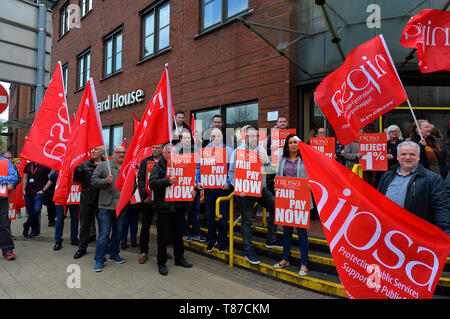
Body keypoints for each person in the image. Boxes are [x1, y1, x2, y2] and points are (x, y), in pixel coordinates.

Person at [229, 126, 283, 265]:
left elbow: (270, 170)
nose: (253, 138)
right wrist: (237, 188)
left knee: (276, 205)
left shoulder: (261, 150)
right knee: (246, 220)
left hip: (259, 188)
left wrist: (267, 161)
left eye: (255, 136)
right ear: (245, 137)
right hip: (244, 192)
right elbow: (231, 173)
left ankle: (271, 239)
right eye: (250, 136)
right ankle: (249, 250)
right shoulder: (237, 152)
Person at [377, 141, 450, 236]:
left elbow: (441, 209)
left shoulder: (432, 179)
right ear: (397, 157)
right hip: (387, 232)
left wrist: (445, 236)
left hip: (416, 235)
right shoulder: (386, 176)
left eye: (412, 154)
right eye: (403, 154)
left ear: (418, 157)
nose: (407, 157)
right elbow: (377, 202)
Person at [149, 143, 194, 276]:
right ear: (164, 154)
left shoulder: (183, 166)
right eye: (170, 153)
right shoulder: (158, 167)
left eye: (175, 153)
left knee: (178, 235)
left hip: (179, 207)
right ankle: (161, 263)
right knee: (162, 237)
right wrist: (167, 181)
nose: (173, 155)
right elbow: (152, 183)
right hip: (164, 209)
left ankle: (179, 258)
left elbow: (188, 184)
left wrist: (191, 192)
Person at [273, 134, 310, 276]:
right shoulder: (282, 160)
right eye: (290, 142)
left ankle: (304, 264)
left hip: (301, 201)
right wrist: (278, 186)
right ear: (287, 145)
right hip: (286, 201)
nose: (293, 145)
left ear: (299, 144)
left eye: (295, 142)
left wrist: (310, 186)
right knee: (286, 231)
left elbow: (311, 176)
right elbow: (278, 177)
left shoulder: (305, 159)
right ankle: (285, 259)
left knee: (302, 233)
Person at [91, 145, 128, 272]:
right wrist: (105, 181)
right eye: (119, 152)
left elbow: (132, 184)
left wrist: (127, 196)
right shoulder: (103, 165)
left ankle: (114, 254)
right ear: (114, 153)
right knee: (104, 234)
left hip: (121, 206)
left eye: (123, 152)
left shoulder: (127, 167)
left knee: (117, 233)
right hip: (106, 206)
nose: (121, 154)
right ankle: (99, 260)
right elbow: (94, 181)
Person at [199, 128, 234, 253]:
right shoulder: (205, 151)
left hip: (223, 190)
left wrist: (229, 183)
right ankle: (212, 240)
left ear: (222, 137)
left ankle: (222, 241)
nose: (215, 138)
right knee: (209, 217)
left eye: (217, 136)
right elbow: (199, 168)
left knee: (223, 218)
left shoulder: (229, 151)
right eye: (213, 136)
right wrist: (198, 181)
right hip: (208, 190)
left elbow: (233, 170)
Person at [73, 146, 105, 259]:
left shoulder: (107, 165)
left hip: (103, 201)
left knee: (103, 227)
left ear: (101, 152)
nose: (92, 151)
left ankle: (103, 248)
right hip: (87, 200)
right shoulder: (84, 164)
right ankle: (82, 248)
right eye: (91, 149)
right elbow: (76, 179)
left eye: (95, 149)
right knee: (84, 226)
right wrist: (76, 169)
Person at [176, 131, 206, 243]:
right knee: (184, 212)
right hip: (183, 187)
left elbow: (199, 168)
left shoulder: (196, 151)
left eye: (189, 138)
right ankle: (185, 233)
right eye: (185, 138)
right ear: (181, 139)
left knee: (196, 210)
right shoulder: (176, 152)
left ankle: (197, 234)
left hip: (196, 187)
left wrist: (196, 182)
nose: (187, 140)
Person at [137, 144, 163, 264]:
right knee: (145, 226)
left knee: (162, 226)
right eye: (153, 148)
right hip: (148, 199)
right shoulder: (145, 162)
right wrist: (144, 196)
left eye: (157, 148)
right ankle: (143, 252)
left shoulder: (166, 160)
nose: (155, 150)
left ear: (162, 149)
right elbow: (141, 180)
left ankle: (161, 252)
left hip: (162, 199)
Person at [50, 170, 79, 251]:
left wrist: (70, 175)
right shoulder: (60, 164)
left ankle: (74, 238)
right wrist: (64, 174)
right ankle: (58, 240)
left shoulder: (77, 164)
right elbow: (51, 177)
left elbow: (81, 177)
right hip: (61, 197)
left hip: (74, 195)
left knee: (75, 218)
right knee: (59, 219)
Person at [22, 162, 51, 238]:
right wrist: (23, 190)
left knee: (37, 210)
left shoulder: (45, 165)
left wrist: (44, 190)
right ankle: (34, 231)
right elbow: (25, 177)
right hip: (28, 192)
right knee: (31, 212)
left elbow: (50, 179)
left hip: (39, 192)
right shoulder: (28, 165)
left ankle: (27, 225)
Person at [0, 154, 18, 260]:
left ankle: (7, 250)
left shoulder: (6, 162)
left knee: (4, 224)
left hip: (2, 198)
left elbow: (13, 178)